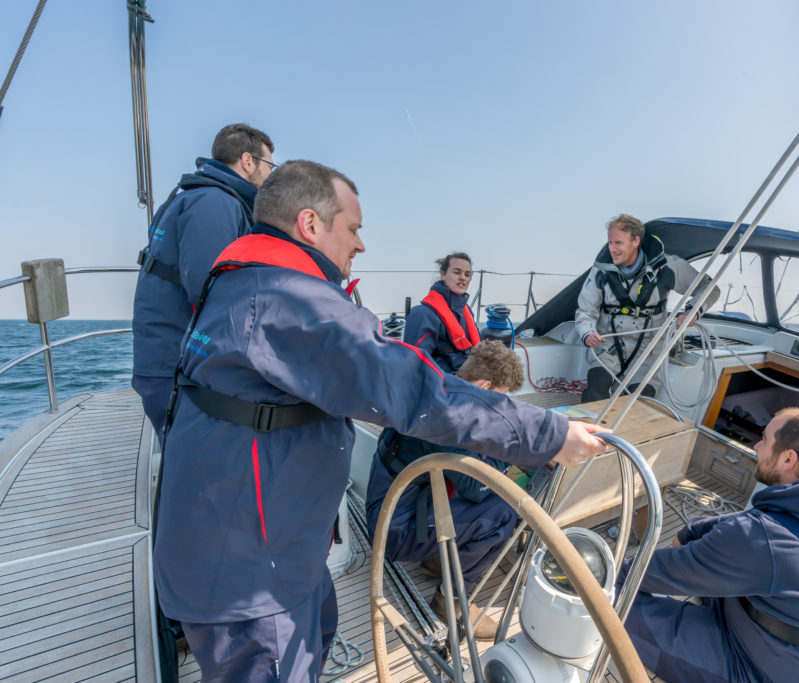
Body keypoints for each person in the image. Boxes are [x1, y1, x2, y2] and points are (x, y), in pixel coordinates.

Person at [152, 160, 608, 682]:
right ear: (309, 224)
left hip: (260, 543)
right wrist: (546, 435)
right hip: (251, 573)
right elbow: (407, 385)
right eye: (353, 228)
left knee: (317, 634)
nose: (361, 245)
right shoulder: (288, 300)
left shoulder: (239, 282)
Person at [621, 408, 799, 682]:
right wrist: (692, 531)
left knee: (617, 600)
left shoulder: (761, 538)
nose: (756, 446)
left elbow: (652, 574)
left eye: (764, 439)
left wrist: (606, 575)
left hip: (768, 670)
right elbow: (747, 525)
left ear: (788, 459)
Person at [365, 340, 527, 640]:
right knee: (503, 512)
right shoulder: (449, 421)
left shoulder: (443, 388)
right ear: (484, 384)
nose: (498, 408)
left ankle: (435, 561)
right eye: (499, 399)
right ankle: (449, 599)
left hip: (391, 503)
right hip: (394, 529)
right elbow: (476, 489)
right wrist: (511, 461)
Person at [131, 123, 275, 434]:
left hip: (166, 359)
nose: (270, 176)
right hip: (178, 366)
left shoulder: (194, 195)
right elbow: (211, 291)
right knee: (195, 470)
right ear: (248, 161)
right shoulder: (215, 202)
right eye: (269, 166)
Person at [575, 214, 719, 403]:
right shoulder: (601, 270)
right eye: (610, 243)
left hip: (648, 348)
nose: (612, 249)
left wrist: (691, 311)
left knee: (638, 402)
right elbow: (585, 309)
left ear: (636, 241)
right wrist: (587, 332)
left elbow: (710, 288)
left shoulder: (668, 266)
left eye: (618, 243)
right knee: (595, 390)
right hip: (609, 343)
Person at [405, 252, 478, 373]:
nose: (463, 277)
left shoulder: (467, 312)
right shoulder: (423, 314)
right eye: (457, 272)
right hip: (443, 386)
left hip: (468, 379)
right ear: (443, 274)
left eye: (467, 274)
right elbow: (415, 368)